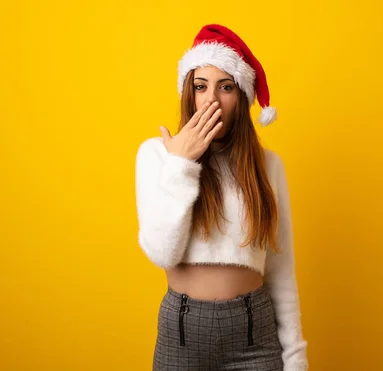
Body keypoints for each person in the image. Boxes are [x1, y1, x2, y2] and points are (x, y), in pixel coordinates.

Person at [134, 24, 308, 371]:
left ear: (241, 97)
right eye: (201, 87)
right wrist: (181, 164)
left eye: (225, 87)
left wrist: (296, 358)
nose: (211, 100)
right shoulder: (157, 155)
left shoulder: (267, 165)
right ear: (189, 93)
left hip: (253, 332)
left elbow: (281, 268)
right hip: (182, 334)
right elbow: (161, 251)